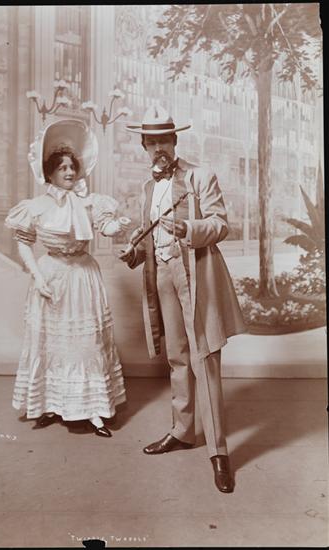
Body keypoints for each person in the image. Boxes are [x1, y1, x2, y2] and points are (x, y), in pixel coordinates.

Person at [119, 105, 246, 492]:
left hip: (195, 274)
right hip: (163, 275)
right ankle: (182, 431)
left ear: (175, 142)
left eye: (164, 141)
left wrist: (188, 228)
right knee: (177, 356)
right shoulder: (147, 188)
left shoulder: (199, 176)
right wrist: (134, 253)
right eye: (151, 142)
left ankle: (219, 452)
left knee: (203, 356)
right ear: (144, 146)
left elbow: (220, 224)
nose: (158, 148)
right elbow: (147, 236)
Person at [5, 119, 129, 437]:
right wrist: (37, 277)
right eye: (62, 168)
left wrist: (119, 225)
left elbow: (106, 227)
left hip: (83, 277)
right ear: (49, 174)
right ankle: (50, 405)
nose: (69, 172)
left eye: (72, 167)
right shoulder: (36, 207)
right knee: (50, 343)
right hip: (51, 277)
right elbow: (23, 242)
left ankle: (93, 410)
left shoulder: (90, 203)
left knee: (86, 343)